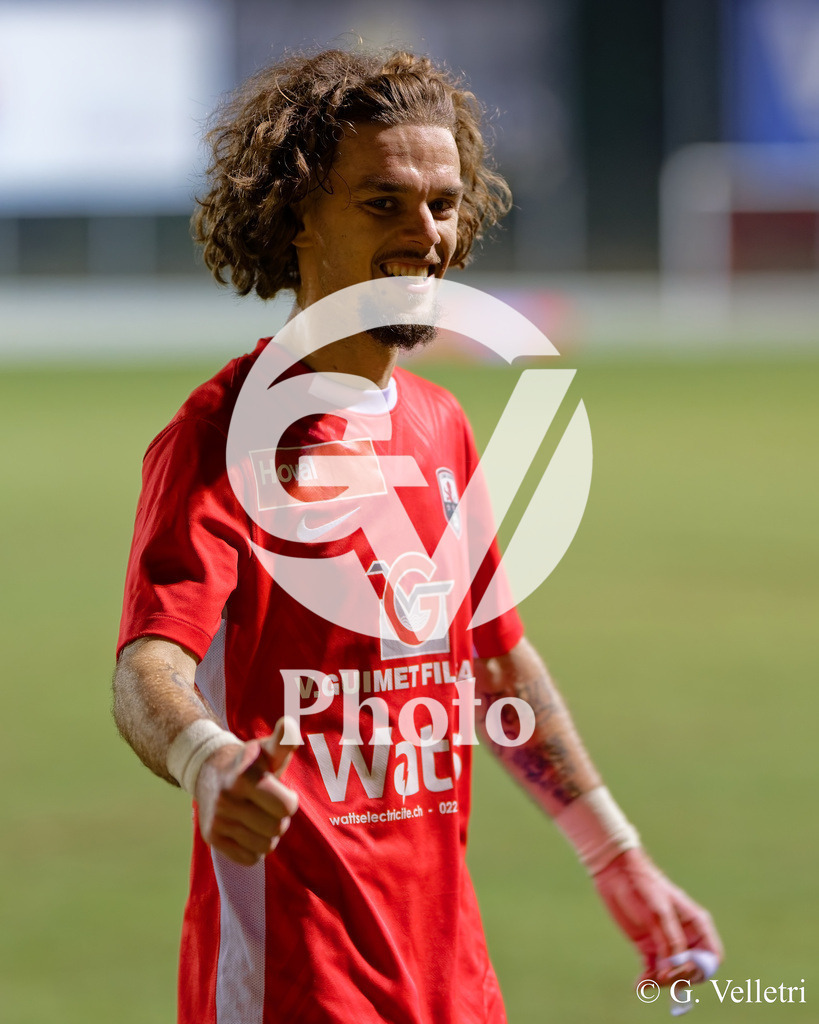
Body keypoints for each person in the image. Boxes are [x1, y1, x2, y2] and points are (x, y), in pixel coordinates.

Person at [113, 49, 722, 1024]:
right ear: (297, 209)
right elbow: (148, 664)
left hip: (452, 982)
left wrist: (618, 855)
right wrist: (206, 759)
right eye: (383, 202)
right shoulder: (220, 435)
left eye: (442, 204)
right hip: (293, 987)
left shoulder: (439, 423)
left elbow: (494, 665)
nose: (425, 233)